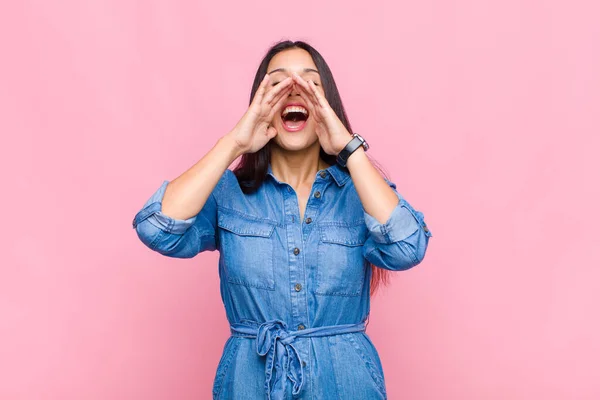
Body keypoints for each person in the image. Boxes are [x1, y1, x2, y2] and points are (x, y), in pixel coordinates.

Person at [132, 40, 432, 400]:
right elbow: (156, 227)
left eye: (309, 83)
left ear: (327, 105)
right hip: (248, 385)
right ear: (260, 106)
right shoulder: (228, 194)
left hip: (347, 385)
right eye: (277, 83)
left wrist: (349, 148)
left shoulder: (360, 191)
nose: (294, 90)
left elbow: (408, 247)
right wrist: (234, 143)